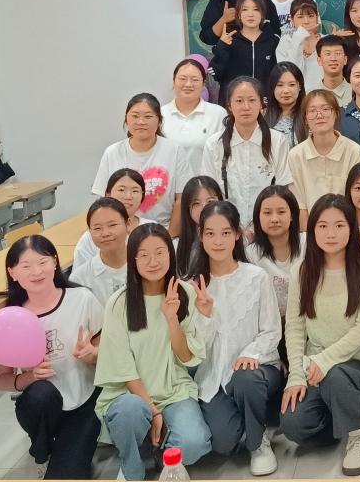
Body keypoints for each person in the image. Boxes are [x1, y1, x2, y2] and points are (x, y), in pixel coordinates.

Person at [280, 195, 360, 476]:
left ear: (351, 228)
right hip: (316, 370)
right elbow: (295, 326)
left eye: (339, 225)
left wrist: (324, 361)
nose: (331, 234)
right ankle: (345, 420)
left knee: (337, 373)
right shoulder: (302, 271)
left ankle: (358, 436)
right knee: (292, 424)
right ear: (312, 230)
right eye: (323, 226)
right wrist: (296, 376)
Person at [94, 224, 211, 480]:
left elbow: (187, 357)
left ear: (171, 254)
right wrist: (153, 409)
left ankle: (156, 452)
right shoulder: (119, 303)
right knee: (130, 411)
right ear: (133, 260)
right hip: (130, 394)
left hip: (174, 390)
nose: (153, 261)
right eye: (144, 255)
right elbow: (124, 368)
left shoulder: (185, 292)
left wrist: (172, 318)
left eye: (159, 252)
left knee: (194, 443)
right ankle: (132, 466)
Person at [0, 235, 102, 480]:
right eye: (26, 266)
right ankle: (43, 450)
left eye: (43, 262)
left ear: (55, 262)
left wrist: (92, 354)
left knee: (67, 474)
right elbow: (1, 379)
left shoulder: (82, 298)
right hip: (41, 407)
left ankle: (61, 450)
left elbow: (107, 351)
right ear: (12, 272)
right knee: (41, 393)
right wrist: (31, 377)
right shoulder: (12, 318)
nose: (36, 272)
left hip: (84, 401)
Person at [189, 201, 283, 476]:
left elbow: (272, 330)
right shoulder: (192, 285)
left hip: (259, 368)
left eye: (225, 233)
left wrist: (250, 354)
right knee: (223, 443)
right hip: (214, 376)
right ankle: (247, 418)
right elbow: (196, 347)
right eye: (210, 233)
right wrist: (205, 315)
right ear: (201, 236)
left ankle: (258, 443)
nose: (218, 241)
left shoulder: (257, 277)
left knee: (245, 378)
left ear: (237, 235)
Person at [92, 93, 193, 235]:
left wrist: (169, 237)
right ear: (126, 119)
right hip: (121, 234)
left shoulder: (175, 151)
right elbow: (104, 200)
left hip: (162, 231)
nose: (141, 122)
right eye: (135, 116)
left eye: (148, 116)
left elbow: (181, 199)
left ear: (160, 121)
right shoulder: (112, 152)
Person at [200, 77, 292, 229]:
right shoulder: (214, 144)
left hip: (268, 227)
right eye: (239, 101)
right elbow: (209, 193)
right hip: (226, 229)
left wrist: (257, 229)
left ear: (261, 104)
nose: (246, 107)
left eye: (252, 100)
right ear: (229, 105)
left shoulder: (278, 141)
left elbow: (282, 189)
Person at [287, 90, 360, 228]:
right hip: (310, 230)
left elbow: (358, 201)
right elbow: (300, 207)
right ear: (305, 119)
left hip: (347, 227)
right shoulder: (296, 155)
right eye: (312, 111)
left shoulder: (353, 151)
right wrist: (308, 238)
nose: (319, 115)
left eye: (325, 109)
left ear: (336, 114)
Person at [247, 185, 306, 319]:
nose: (274, 219)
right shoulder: (251, 254)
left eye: (281, 212)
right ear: (258, 217)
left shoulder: (306, 244)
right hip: (269, 323)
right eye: (267, 213)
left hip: (305, 320)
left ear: (292, 215)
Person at [73, 168, 149, 270]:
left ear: (142, 196)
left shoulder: (152, 229)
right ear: (108, 194)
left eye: (135, 191)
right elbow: (80, 276)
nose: (128, 196)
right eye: (121, 190)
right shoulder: (92, 237)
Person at [161, 58, 227, 171]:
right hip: (170, 181)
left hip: (207, 181)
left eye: (195, 80)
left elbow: (225, 155)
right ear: (174, 81)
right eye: (182, 79)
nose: (188, 84)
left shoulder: (218, 114)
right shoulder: (160, 114)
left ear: (203, 84)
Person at [209, 0, 279, 93]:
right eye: (245, 9)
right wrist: (221, 46)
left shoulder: (273, 41)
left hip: (264, 100)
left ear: (263, 14)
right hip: (234, 100)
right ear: (239, 15)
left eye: (256, 9)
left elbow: (280, 75)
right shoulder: (229, 40)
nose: (250, 14)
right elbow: (215, 73)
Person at [70, 198, 130, 306]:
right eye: (97, 228)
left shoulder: (146, 266)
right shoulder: (80, 279)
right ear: (90, 231)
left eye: (112, 225)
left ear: (128, 224)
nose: (105, 233)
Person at [175, 176, 224, 272]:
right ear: (187, 208)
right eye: (196, 203)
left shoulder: (232, 237)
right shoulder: (176, 245)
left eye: (210, 201)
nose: (204, 208)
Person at [275, 0, 324, 89]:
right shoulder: (285, 43)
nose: (306, 21)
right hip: (295, 95)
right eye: (300, 17)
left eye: (310, 16)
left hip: (323, 95)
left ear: (317, 18)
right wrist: (299, 37)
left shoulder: (326, 42)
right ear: (292, 20)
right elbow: (292, 74)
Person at [264, 62, 305, 141]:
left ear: (299, 86)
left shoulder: (309, 114)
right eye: (280, 85)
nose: (286, 91)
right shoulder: (262, 116)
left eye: (292, 84)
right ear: (273, 87)